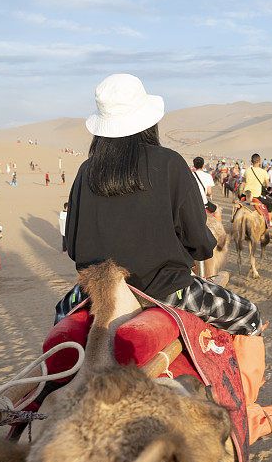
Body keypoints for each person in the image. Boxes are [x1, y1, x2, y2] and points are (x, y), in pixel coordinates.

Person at [65, 73, 261, 335]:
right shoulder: (170, 163)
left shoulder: (85, 171)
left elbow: (74, 248)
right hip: (167, 291)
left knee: (60, 329)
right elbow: (199, 242)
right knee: (251, 317)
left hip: (97, 294)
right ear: (148, 121)